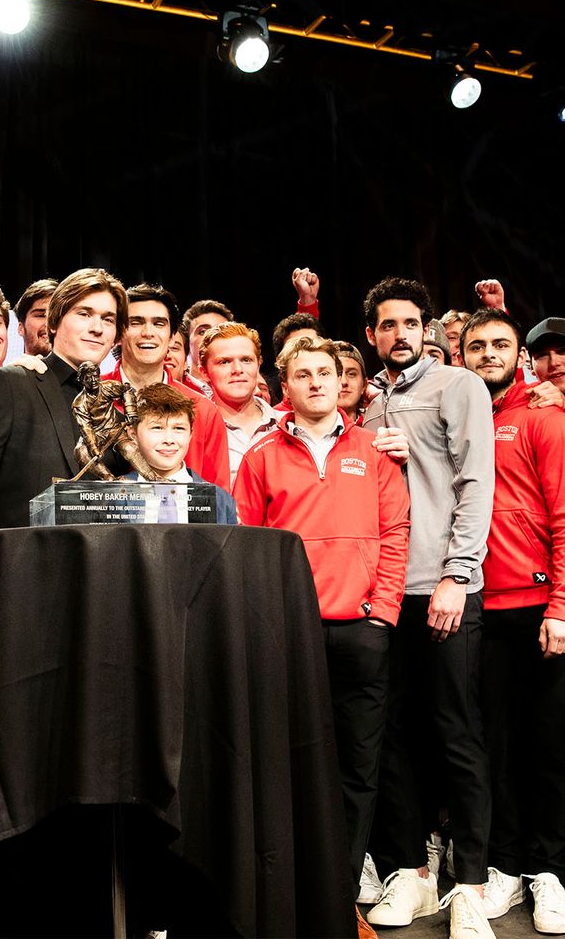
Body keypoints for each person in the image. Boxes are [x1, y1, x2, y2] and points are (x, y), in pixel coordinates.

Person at [237, 335, 410, 934]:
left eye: (325, 373)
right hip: (289, 636)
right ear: (285, 385)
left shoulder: (376, 450)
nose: (315, 382)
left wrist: (383, 614)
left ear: (342, 382)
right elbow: (248, 551)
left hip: (361, 630)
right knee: (288, 766)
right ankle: (290, 896)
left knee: (358, 771)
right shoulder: (260, 456)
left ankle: (338, 903)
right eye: (302, 374)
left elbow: (396, 532)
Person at [360, 277, 496, 939]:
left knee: (457, 736)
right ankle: (411, 873)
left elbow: (475, 482)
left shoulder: (458, 386)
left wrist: (457, 575)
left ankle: (470, 884)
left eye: (411, 322)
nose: (401, 334)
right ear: (372, 335)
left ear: (428, 330)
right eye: (388, 325)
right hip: (384, 594)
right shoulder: (366, 404)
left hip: (443, 588)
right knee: (396, 738)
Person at [459, 309, 565, 935]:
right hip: (475, 607)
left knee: (551, 751)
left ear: (520, 353)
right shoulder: (457, 415)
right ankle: (507, 866)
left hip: (541, 611)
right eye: (477, 344)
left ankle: (551, 873)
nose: (488, 353)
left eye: (500, 344)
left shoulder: (543, 417)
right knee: (493, 748)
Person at [0, 267, 128, 533]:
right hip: (24, 566)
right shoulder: (8, 385)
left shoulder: (113, 409)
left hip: (101, 567)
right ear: (54, 322)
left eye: (108, 319)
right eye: (84, 314)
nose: (97, 328)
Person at [105, 283, 232, 491]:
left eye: (159, 323)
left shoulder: (203, 410)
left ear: (172, 335)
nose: (148, 332)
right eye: (136, 323)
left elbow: (218, 500)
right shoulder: (91, 397)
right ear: (119, 333)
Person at [119, 383, 238, 523]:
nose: (169, 440)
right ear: (133, 434)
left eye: (179, 428)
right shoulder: (112, 497)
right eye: (157, 428)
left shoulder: (220, 501)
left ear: (191, 434)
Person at [201, 322, 281, 486]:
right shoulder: (193, 430)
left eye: (246, 360)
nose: (237, 369)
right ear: (204, 372)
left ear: (258, 364)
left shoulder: (288, 425)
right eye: (224, 362)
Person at [182, 298, 233, 395]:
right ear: (187, 341)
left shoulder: (245, 389)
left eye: (221, 331)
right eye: (203, 331)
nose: (212, 336)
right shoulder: (176, 389)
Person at [14, 278, 57, 357]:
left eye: (56, 316)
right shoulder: (6, 369)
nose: (50, 323)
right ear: (21, 328)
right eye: (41, 316)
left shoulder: (83, 368)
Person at [334, 340, 369, 422]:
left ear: (364, 385)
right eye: (336, 374)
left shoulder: (377, 421)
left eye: (351, 374)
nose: (343, 382)